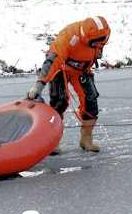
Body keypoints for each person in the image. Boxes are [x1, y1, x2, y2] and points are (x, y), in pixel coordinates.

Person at [26, 16, 111, 153]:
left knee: (91, 101)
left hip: (81, 70)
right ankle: (53, 142)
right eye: (95, 42)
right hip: (61, 69)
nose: (99, 44)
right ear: (86, 37)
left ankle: (86, 140)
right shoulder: (67, 37)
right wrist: (39, 85)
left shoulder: (103, 33)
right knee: (59, 102)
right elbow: (52, 62)